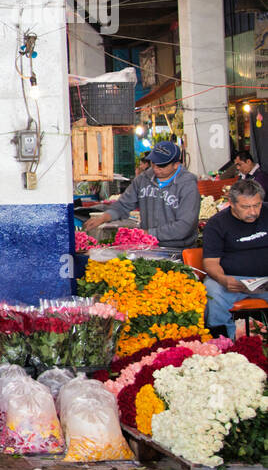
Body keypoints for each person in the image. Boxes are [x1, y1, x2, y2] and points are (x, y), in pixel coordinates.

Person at [83, 140, 199, 249]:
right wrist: (103, 217)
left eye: (161, 165)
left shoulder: (187, 185)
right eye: (153, 163)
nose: (156, 168)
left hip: (180, 249)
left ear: (176, 165)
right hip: (150, 246)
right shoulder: (143, 179)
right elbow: (124, 204)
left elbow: (185, 226)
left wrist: (148, 233)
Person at [199, 178, 268, 338]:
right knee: (212, 291)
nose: (253, 212)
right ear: (231, 203)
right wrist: (223, 279)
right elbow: (210, 263)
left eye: (256, 205)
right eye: (246, 207)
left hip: (265, 280)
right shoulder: (217, 224)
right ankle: (224, 344)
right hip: (232, 281)